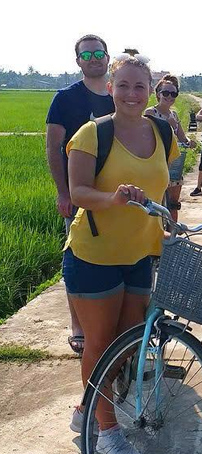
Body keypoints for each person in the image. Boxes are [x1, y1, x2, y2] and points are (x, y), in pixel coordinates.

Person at [65, 54, 180, 454]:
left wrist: (168, 225)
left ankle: (87, 409)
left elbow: (162, 190)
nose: (133, 94)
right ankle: (107, 433)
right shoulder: (92, 134)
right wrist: (111, 198)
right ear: (111, 87)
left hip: (140, 253)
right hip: (94, 255)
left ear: (150, 89)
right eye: (124, 85)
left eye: (140, 86)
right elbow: (78, 192)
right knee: (99, 345)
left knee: (127, 344)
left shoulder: (163, 132)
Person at [46, 34, 114, 356]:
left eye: (99, 53)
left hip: (115, 193)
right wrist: (63, 191)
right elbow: (53, 147)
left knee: (113, 255)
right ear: (78, 62)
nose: (94, 58)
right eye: (87, 55)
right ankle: (77, 323)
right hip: (79, 191)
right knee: (76, 258)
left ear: (108, 57)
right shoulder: (65, 98)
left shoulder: (120, 97)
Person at [145, 74, 196, 221]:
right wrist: (170, 125)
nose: (169, 97)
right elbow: (149, 136)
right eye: (165, 93)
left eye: (173, 94)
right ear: (158, 94)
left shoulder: (173, 114)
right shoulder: (151, 113)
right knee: (156, 199)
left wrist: (189, 142)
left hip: (172, 160)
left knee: (174, 201)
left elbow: (181, 136)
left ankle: (173, 230)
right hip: (156, 161)